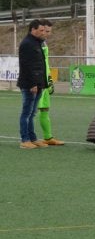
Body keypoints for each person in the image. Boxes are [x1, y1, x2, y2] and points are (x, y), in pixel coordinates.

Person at [17, 19, 49, 149]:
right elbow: (27, 66)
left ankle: (33, 138)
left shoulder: (37, 43)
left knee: (32, 113)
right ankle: (25, 140)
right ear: (33, 30)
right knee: (27, 112)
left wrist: (42, 83)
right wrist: (33, 84)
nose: (43, 32)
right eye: (41, 30)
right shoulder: (27, 44)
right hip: (30, 85)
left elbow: (39, 65)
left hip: (38, 83)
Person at [37, 18, 65, 146]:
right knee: (32, 110)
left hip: (45, 79)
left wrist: (49, 79)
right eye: (46, 31)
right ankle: (27, 138)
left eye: (49, 31)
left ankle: (48, 137)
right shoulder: (34, 43)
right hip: (39, 80)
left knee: (45, 108)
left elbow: (45, 63)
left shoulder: (43, 43)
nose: (48, 33)